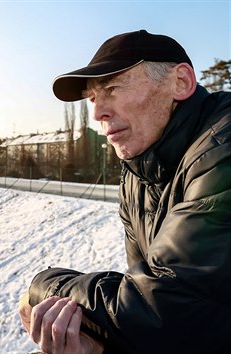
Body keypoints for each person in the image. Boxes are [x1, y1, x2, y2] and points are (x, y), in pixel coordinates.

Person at [18, 29, 231, 354]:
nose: (97, 112)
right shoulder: (136, 176)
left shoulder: (222, 147)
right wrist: (99, 347)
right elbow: (149, 315)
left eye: (113, 88)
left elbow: (164, 310)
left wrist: (44, 287)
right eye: (92, 97)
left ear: (181, 83)